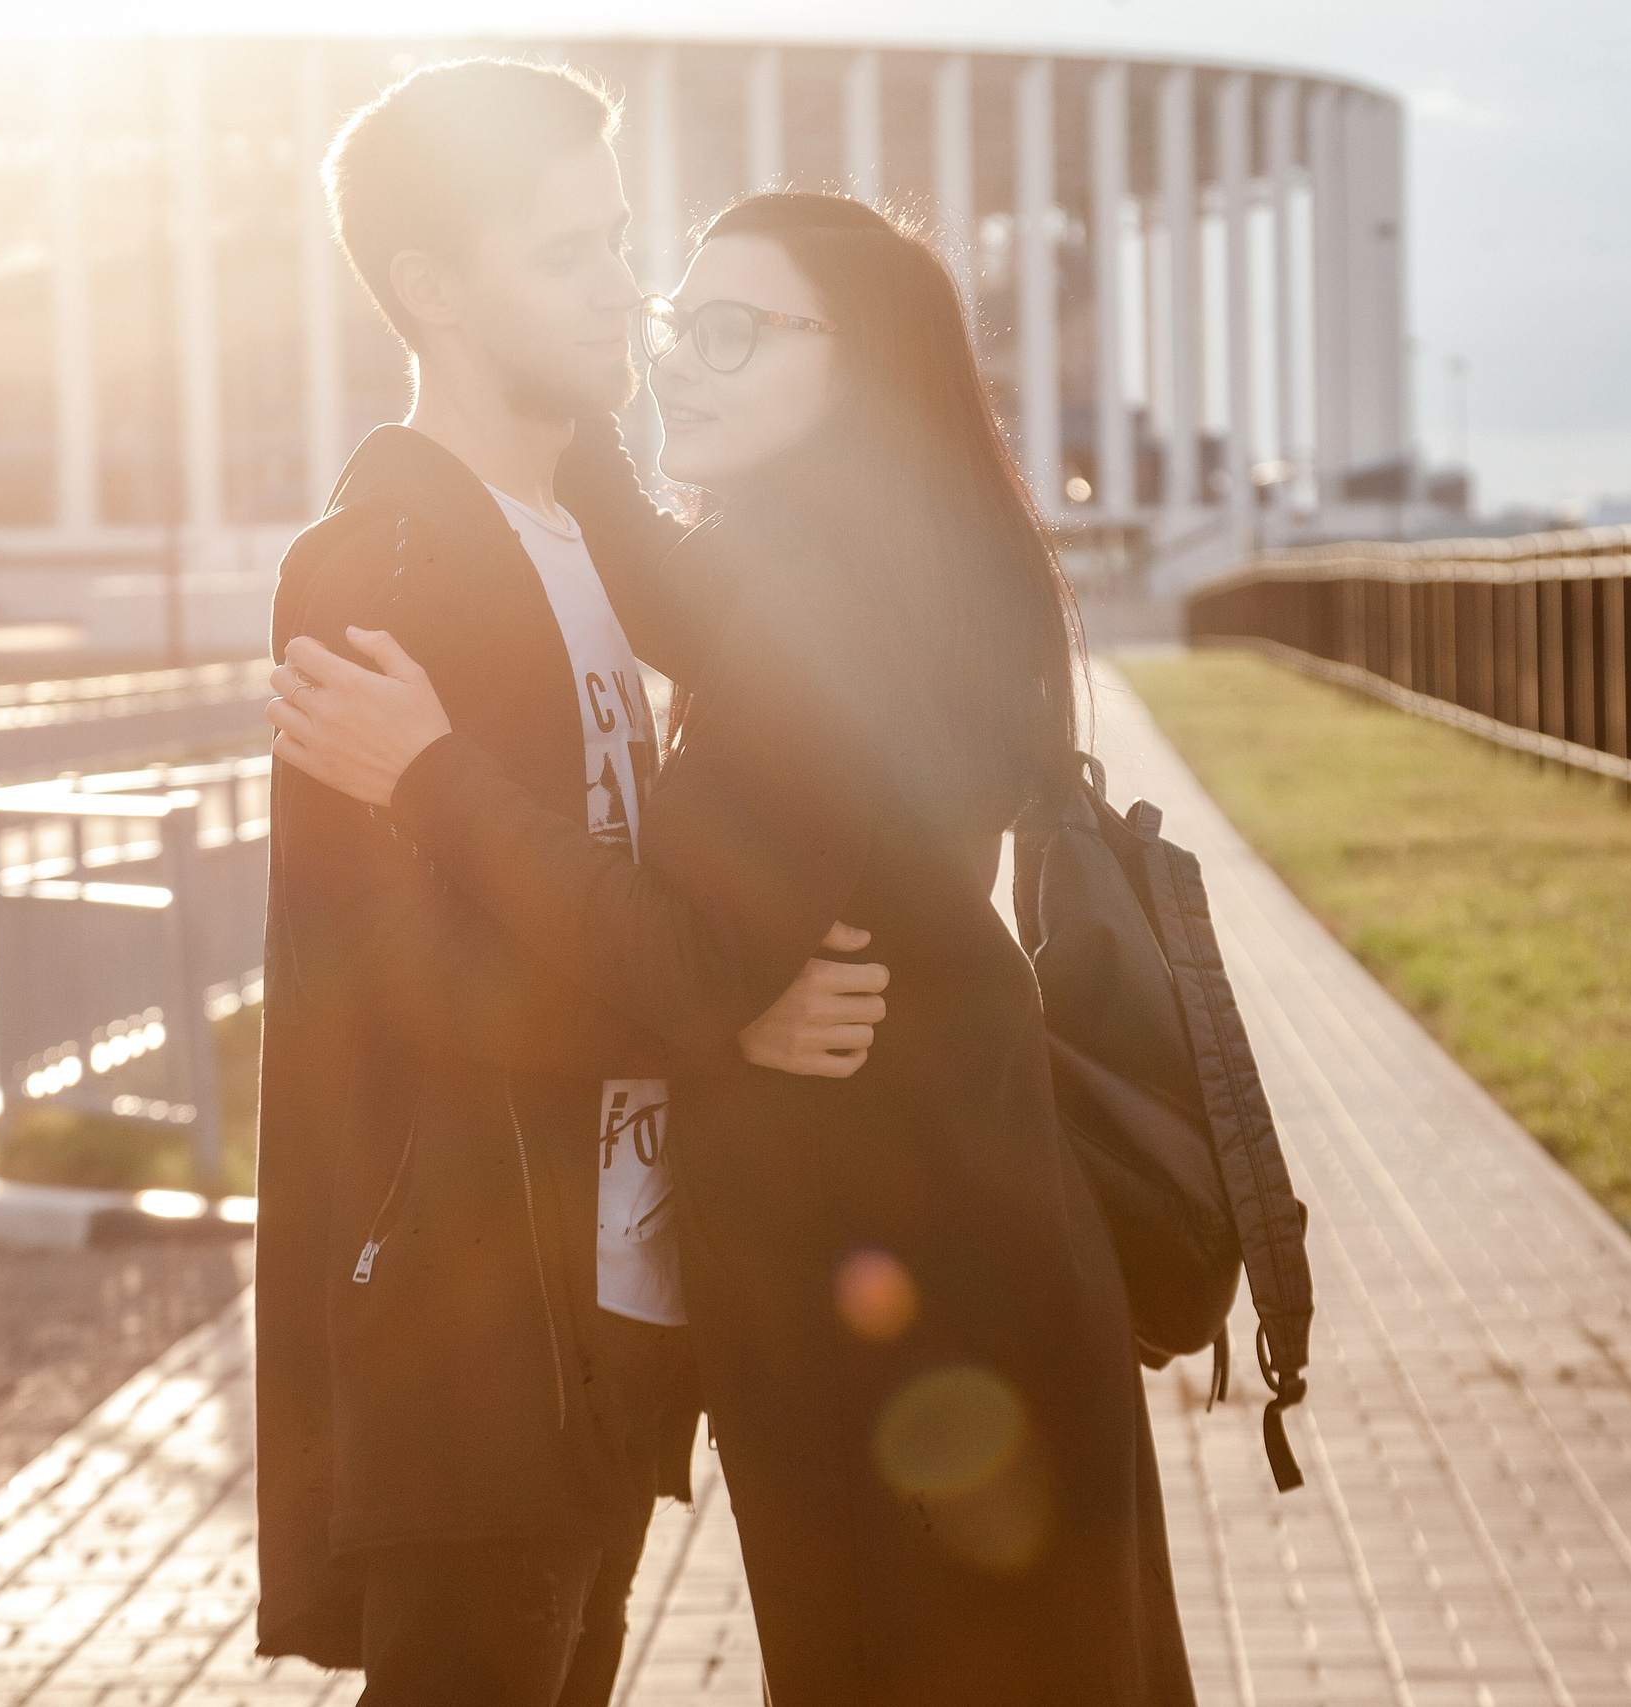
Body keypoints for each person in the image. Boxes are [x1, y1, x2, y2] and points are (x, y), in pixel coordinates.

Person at [268, 192, 1197, 1706]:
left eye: (727, 332)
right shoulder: (848, 564)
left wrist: (429, 770)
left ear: (864, 364)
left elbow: (687, 955)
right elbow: (650, 566)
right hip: (947, 1263)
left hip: (918, 1319)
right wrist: (543, 377)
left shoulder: (841, 605)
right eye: (663, 323)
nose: (670, 361)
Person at [252, 67, 892, 1707]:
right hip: (475, 1325)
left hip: (615, 1313)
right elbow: (401, 983)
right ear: (434, 292)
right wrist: (719, 1026)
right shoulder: (373, 568)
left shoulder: (594, 532)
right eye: (567, 256)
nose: (626, 284)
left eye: (619, 237)